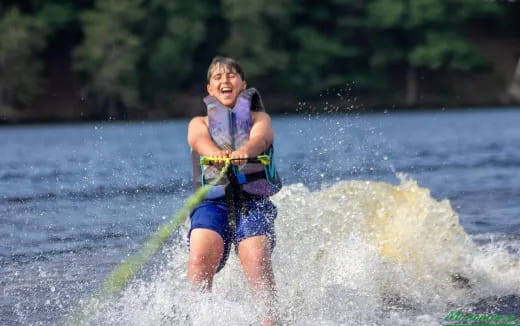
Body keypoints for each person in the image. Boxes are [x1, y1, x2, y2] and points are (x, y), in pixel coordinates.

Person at [186, 56, 282, 324]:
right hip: (212, 203)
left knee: (255, 256)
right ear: (210, 89)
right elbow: (198, 140)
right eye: (217, 77)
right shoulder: (199, 123)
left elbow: (261, 138)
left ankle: (270, 319)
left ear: (243, 84)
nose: (224, 80)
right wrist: (216, 154)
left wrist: (244, 152)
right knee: (200, 257)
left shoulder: (259, 118)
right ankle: (197, 318)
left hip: (253, 200)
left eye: (230, 76)